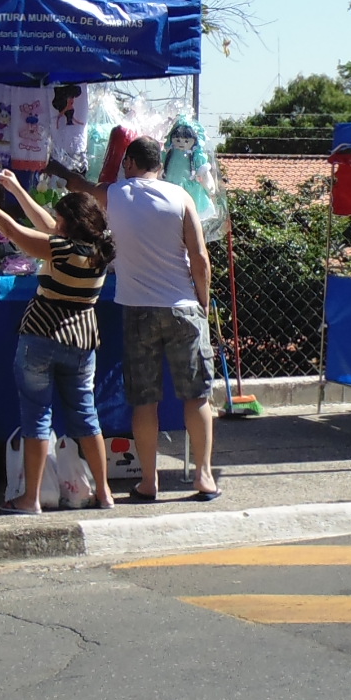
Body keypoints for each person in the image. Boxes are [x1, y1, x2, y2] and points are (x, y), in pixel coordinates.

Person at [0, 169, 117, 516]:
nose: (54, 222)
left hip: (41, 336)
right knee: (86, 416)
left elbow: (14, 231)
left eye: (59, 218)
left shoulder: (58, 250)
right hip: (82, 341)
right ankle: (104, 491)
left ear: (68, 224)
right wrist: (16, 188)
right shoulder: (98, 252)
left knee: (36, 417)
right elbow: (46, 224)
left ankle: (30, 498)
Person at [100, 135, 219, 501]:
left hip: (137, 310)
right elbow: (199, 257)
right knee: (197, 397)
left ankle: (149, 481)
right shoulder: (180, 197)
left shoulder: (115, 194)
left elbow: (82, 188)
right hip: (183, 306)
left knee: (144, 400)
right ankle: (203, 477)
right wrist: (203, 300)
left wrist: (55, 169)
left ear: (130, 163)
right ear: (160, 165)